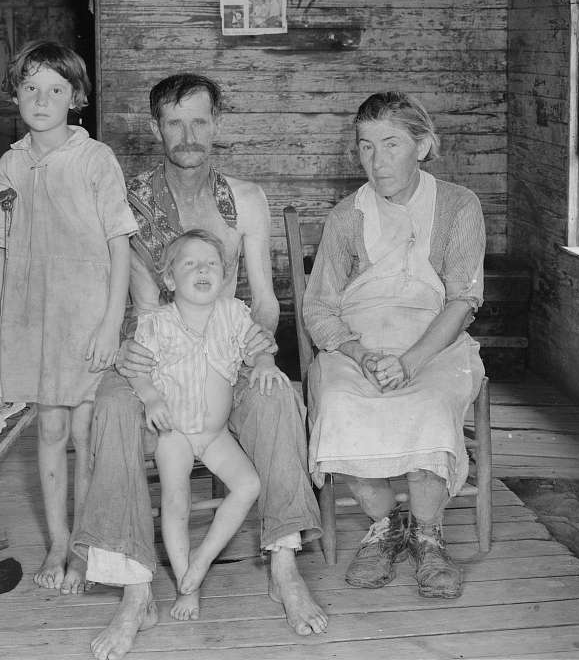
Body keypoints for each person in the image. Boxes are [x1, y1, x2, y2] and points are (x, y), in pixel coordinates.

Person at [70, 74, 327, 660]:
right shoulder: (128, 198)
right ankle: (136, 590)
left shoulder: (246, 199)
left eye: (199, 121)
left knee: (277, 396)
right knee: (111, 407)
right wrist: (126, 349)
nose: (187, 135)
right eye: (174, 122)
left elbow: (264, 300)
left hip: (226, 347)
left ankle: (284, 565)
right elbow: (107, 290)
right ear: (156, 127)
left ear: (217, 124)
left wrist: (259, 353)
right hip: (151, 348)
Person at [302, 91, 486, 599]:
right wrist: (359, 354)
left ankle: (427, 534)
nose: (377, 160)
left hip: (436, 342)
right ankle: (385, 527)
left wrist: (409, 362)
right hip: (359, 344)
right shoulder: (346, 216)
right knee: (338, 402)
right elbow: (319, 308)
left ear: (422, 147)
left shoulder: (459, 206)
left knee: (429, 402)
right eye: (366, 146)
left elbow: (463, 300)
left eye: (391, 144)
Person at [0, 40, 138, 595]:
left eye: (55, 89)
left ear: (75, 97)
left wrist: (110, 323)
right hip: (32, 316)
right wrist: (0, 321)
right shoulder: (10, 163)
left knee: (84, 430)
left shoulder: (95, 159)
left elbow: (120, 244)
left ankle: (84, 544)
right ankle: (57, 539)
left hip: (85, 315)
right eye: (30, 88)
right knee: (48, 427)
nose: (41, 99)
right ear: (15, 95)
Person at [132, 229, 289, 621]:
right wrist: (151, 397)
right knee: (176, 500)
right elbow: (137, 370)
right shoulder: (157, 322)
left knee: (249, 485)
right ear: (170, 279)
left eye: (212, 264)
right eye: (191, 264)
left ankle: (201, 559)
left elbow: (259, 347)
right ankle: (187, 585)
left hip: (216, 434)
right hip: (174, 433)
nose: (203, 270)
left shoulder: (234, 313)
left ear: (223, 275)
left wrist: (264, 363)